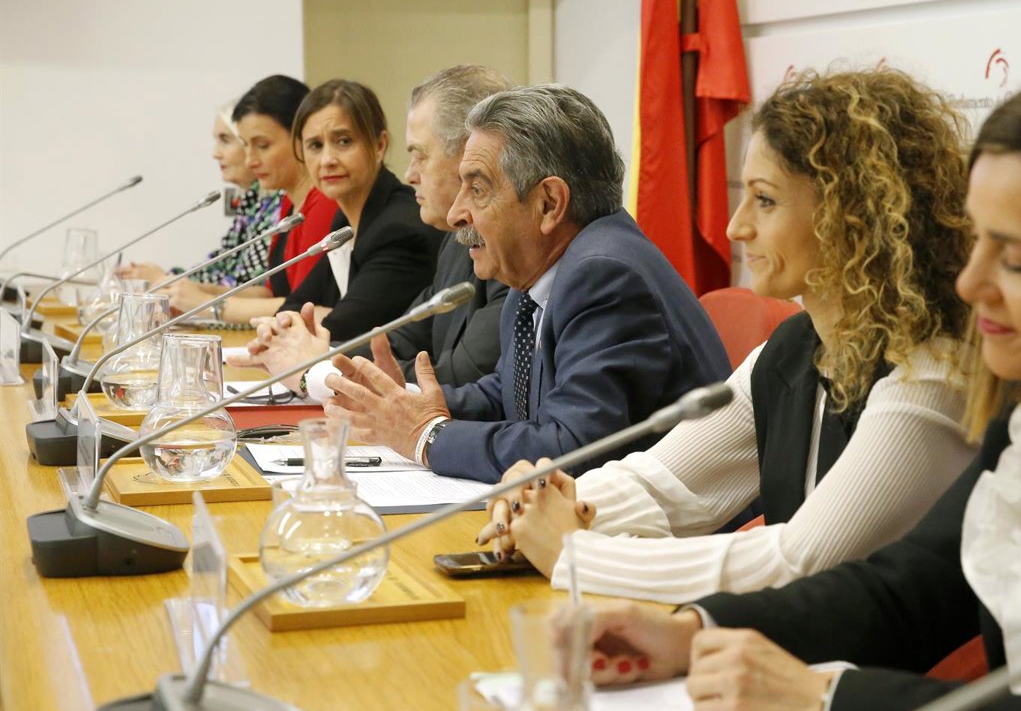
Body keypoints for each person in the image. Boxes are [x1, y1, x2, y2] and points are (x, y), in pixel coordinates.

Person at [570, 54, 1021, 711]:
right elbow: (908, 588)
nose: (971, 282)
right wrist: (693, 632)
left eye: (1017, 261)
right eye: (979, 241)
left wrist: (824, 706)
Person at [480, 68, 978, 603]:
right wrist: (544, 505)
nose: (735, 227)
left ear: (852, 213)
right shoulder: (791, 352)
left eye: (764, 200)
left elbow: (797, 560)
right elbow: (667, 485)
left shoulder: (930, 375)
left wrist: (575, 554)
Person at [321, 85, 731, 482]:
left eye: (477, 189)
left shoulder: (604, 276)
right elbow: (509, 394)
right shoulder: (538, 269)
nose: (456, 214)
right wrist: (409, 404)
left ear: (549, 203)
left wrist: (428, 436)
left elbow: (573, 451)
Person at [234, 65, 512, 388]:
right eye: (314, 146)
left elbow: (457, 378)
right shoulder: (456, 241)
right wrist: (308, 349)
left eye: (421, 156)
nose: (410, 174)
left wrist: (322, 367)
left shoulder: (407, 230)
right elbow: (398, 339)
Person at [166, 75, 339, 320]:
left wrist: (208, 304)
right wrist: (187, 292)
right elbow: (269, 294)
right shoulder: (288, 202)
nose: (250, 161)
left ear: (301, 138)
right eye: (246, 145)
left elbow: (302, 306)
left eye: (263, 145)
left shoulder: (324, 202)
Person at [118, 101, 282, 287]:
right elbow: (220, 265)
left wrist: (166, 280)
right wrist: (168, 278)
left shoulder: (278, 204)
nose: (215, 153)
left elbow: (246, 284)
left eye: (225, 140)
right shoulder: (252, 200)